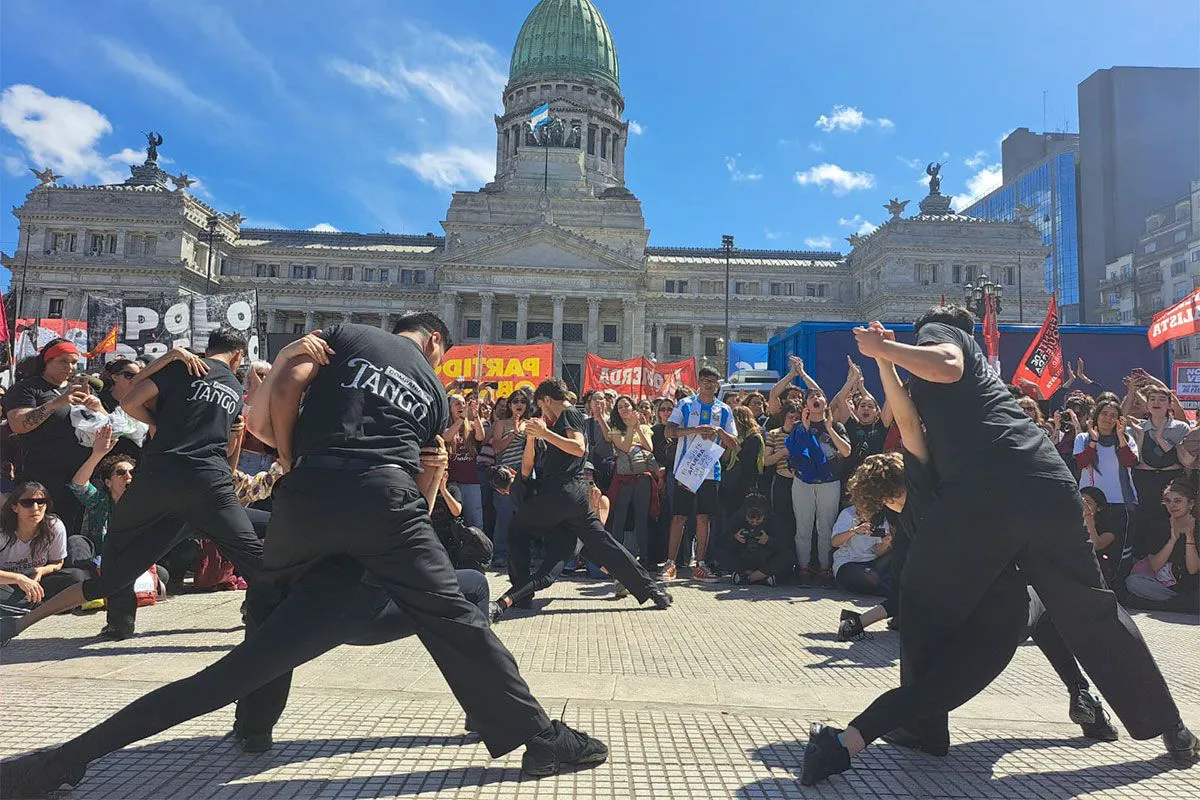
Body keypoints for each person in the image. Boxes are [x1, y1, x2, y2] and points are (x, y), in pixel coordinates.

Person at [0, 314, 610, 799]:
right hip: (379, 510)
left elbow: (271, 407)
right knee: (458, 604)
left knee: (250, 644)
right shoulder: (432, 388)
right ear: (438, 345)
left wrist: (294, 459)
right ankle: (536, 735)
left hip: (306, 505)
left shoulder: (343, 337)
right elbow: (416, 501)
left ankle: (101, 753)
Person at [801, 306, 1197, 785]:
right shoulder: (959, 388)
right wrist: (885, 364)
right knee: (1090, 608)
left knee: (924, 591)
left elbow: (945, 362)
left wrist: (884, 348)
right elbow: (907, 424)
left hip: (986, 494)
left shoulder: (944, 335)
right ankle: (1170, 727)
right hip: (1047, 486)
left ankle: (923, 724)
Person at [0, 329, 263, 644]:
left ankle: (91, 623)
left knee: (114, 561)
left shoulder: (184, 365)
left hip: (158, 481)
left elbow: (128, 400)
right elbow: (229, 450)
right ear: (238, 356)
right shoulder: (234, 385)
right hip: (208, 484)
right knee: (255, 554)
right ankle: (266, 615)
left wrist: (166, 367)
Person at [500, 378, 671, 611]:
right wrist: (535, 436)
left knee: (517, 530)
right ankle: (652, 591)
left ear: (548, 400)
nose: (541, 412)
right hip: (574, 495)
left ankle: (521, 594)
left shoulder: (569, 414)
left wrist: (544, 433)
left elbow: (578, 447)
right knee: (603, 545)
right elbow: (529, 467)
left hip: (560, 492)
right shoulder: (559, 421)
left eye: (541, 405)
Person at [2, 338, 101, 536]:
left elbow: (106, 425)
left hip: (79, 477)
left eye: (74, 362)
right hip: (40, 475)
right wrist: (57, 403)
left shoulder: (79, 387)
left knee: (73, 531)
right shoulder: (27, 388)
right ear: (47, 361)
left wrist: (97, 408)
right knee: (40, 531)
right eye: (63, 361)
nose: (70, 367)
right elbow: (19, 424)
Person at [662, 366, 738, 581]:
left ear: (717, 385)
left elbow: (733, 443)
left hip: (709, 470)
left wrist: (719, 432)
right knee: (679, 516)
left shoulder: (724, 410)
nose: (708, 384)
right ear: (699, 382)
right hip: (686, 468)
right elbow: (669, 432)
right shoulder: (685, 404)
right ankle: (670, 563)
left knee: (704, 517)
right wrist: (695, 430)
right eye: (704, 380)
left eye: (713, 381)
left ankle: (700, 564)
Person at [1073, 399, 1139, 589]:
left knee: (1120, 551)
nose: (1108, 419)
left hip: (1121, 503)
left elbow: (1131, 462)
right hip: (1091, 505)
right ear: (1096, 415)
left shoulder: (1127, 438)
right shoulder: (1083, 438)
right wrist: (1093, 441)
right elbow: (1081, 463)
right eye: (1104, 413)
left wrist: (1120, 437)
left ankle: (1118, 590)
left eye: (1113, 415)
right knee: (1089, 549)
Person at [787, 389, 851, 585]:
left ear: (825, 402)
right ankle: (804, 568)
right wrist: (805, 429)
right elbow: (793, 451)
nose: (816, 399)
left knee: (826, 527)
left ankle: (825, 568)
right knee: (803, 527)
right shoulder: (798, 426)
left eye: (819, 396)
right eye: (811, 396)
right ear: (806, 404)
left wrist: (830, 428)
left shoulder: (837, 426)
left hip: (829, 482)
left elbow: (847, 452)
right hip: (803, 482)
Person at [0, 483, 91, 613]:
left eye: (41, 502)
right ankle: (48, 606)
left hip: (38, 583)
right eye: (27, 503)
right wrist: (18, 578)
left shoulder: (54, 526)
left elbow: (57, 562)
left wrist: (42, 570)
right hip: (7, 584)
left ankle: (30, 606)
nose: (35, 508)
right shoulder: (3, 532)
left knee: (77, 577)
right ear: (15, 507)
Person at [598, 395, 660, 570]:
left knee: (642, 518)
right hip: (624, 478)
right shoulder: (616, 428)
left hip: (643, 477)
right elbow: (623, 448)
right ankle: (616, 556)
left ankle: (645, 558)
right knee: (620, 517)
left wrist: (638, 428)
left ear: (634, 408)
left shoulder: (646, 427)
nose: (624, 409)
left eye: (627, 405)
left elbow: (649, 447)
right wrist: (631, 429)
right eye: (620, 407)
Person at [1130, 384, 1192, 548]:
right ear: (1146, 403)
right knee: (1143, 518)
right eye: (1152, 399)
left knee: (1169, 518)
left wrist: (1160, 437)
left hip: (1171, 479)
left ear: (1169, 404)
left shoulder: (1180, 427)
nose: (1156, 402)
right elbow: (1134, 457)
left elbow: (1180, 457)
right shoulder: (1138, 426)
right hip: (1145, 479)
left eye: (1162, 399)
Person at [1125, 478, 1199, 613]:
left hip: (1194, 585)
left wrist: (1189, 537)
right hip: (1166, 587)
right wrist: (1172, 540)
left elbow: (1193, 569)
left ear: (1191, 504)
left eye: (1178, 501)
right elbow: (1154, 567)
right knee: (1133, 582)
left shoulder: (1197, 528)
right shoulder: (1158, 527)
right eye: (1168, 501)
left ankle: (1168, 605)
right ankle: (1177, 604)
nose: (1172, 506)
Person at [488, 388, 532, 568]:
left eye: (522, 401)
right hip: (504, 475)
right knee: (504, 516)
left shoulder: (529, 423)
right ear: (510, 405)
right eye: (515, 401)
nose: (519, 404)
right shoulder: (501, 424)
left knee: (523, 518)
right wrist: (513, 432)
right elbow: (497, 448)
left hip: (522, 475)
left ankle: (521, 554)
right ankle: (500, 553)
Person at [724, 494, 790, 586]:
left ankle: (750, 578)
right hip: (744, 560)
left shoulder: (774, 521)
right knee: (721, 552)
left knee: (788, 555)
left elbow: (785, 545)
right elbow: (723, 543)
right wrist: (735, 538)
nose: (754, 523)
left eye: (758, 520)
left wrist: (769, 540)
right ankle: (761, 579)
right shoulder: (737, 520)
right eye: (751, 521)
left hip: (766, 561)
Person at [830, 503, 893, 598]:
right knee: (871, 577)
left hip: (873, 561)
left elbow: (878, 552)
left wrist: (885, 543)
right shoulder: (848, 513)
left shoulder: (881, 517)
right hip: (848, 562)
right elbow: (835, 542)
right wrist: (854, 531)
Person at [444, 393, 485, 528]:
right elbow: (447, 437)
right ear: (449, 408)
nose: (461, 406)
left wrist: (475, 415)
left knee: (475, 522)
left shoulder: (471, 426)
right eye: (457, 403)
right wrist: (461, 418)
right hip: (452, 483)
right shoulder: (445, 426)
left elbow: (480, 437)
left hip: (470, 481)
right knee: (453, 522)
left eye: (463, 403)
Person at [720, 406, 765, 510]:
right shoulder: (734, 437)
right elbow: (725, 461)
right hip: (730, 483)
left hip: (746, 483)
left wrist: (735, 446)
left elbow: (748, 460)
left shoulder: (754, 438)